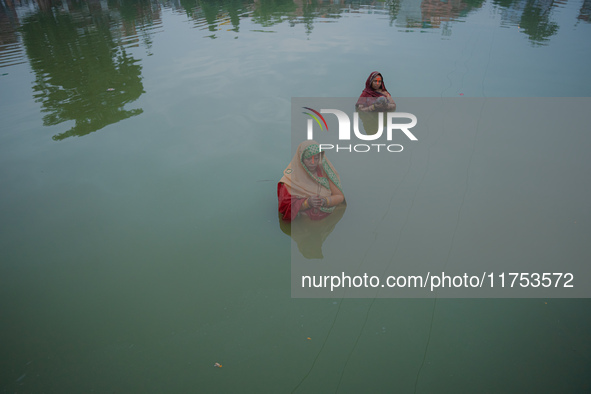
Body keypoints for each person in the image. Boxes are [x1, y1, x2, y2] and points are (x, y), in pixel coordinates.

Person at [277, 140, 345, 222]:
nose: (313, 162)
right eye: (308, 159)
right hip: (302, 223)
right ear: (301, 159)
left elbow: (340, 196)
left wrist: (325, 201)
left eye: (316, 158)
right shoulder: (290, 179)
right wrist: (307, 203)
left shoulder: (325, 173)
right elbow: (284, 207)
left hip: (325, 220)